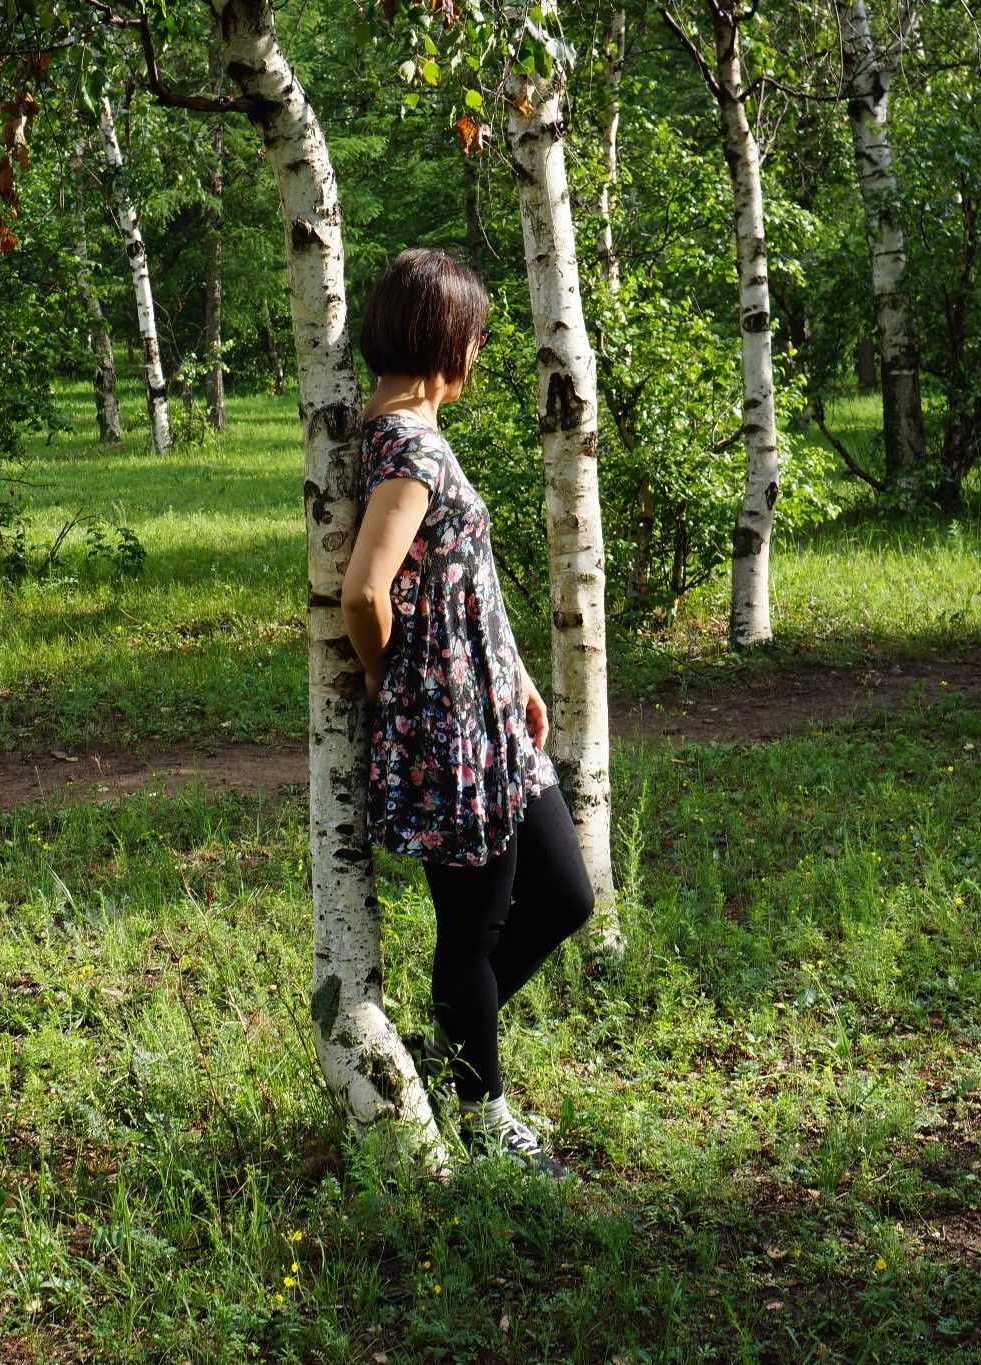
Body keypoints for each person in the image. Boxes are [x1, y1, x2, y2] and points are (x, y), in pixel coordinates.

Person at [339, 246, 597, 1180]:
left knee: (565, 895)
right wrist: (393, 685)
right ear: (445, 339)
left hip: (492, 716)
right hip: (449, 729)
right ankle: (486, 1117)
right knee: (475, 932)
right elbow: (365, 593)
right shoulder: (409, 449)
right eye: (475, 337)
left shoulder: (408, 435)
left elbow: (459, 577)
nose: (479, 353)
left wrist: (515, 670)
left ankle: (452, 1032)